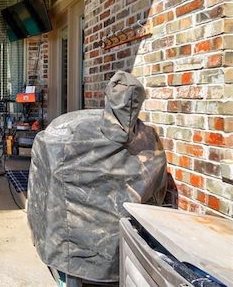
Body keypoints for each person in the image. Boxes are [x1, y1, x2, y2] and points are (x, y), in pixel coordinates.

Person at [27, 70, 168, 285]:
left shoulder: (69, 130)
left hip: (68, 245)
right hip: (120, 248)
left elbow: (44, 169)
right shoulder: (148, 138)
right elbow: (157, 191)